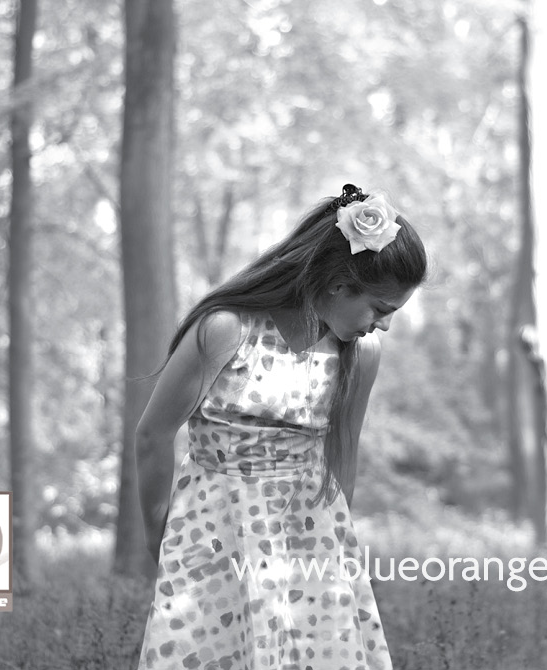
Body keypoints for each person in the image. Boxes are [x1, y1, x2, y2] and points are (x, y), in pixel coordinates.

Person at [135, 184, 427, 670]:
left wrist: (333, 550)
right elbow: (153, 435)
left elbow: (343, 455)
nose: (384, 326)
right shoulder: (227, 330)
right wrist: (158, 536)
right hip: (216, 528)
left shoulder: (357, 355)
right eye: (380, 309)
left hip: (309, 537)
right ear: (338, 284)